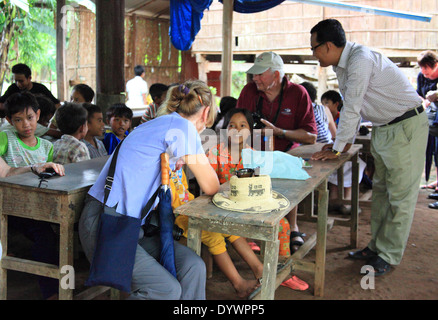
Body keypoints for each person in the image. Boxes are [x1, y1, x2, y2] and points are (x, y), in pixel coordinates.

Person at [79, 80, 220, 300]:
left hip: (131, 227)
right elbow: (211, 186)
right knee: (165, 290)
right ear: (206, 112)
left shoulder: (159, 124)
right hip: (106, 226)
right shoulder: (182, 128)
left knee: (193, 267)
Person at [310, 19, 428, 276]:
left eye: (314, 48)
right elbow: (353, 108)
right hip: (384, 128)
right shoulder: (344, 65)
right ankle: (376, 247)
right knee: (382, 193)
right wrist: (339, 143)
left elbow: (351, 106)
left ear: (328, 46)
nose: (313, 53)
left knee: (400, 198)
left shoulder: (360, 59)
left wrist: (338, 148)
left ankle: (388, 254)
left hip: (406, 126)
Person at [236, 51, 317, 253]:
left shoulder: (298, 93)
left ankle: (293, 226)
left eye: (260, 74)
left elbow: (311, 136)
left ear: (277, 75)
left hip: (287, 152)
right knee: (245, 169)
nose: (254, 78)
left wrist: (280, 132)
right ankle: (250, 227)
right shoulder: (248, 91)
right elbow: (236, 125)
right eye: (254, 74)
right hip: (254, 152)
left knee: (286, 166)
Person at [0, 92, 65, 299]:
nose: (25, 125)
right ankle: (52, 293)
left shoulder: (47, 147)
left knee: (55, 236)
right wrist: (33, 167)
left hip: (37, 206)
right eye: (18, 120)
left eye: (30, 118)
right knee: (45, 235)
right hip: (9, 205)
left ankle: (64, 286)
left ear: (38, 115)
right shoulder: (5, 138)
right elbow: (6, 173)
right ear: (9, 120)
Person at [415, 51, 438, 208]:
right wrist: (425, 101)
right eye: (422, 68)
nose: (424, 72)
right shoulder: (421, 76)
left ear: (435, 64)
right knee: (436, 153)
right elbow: (417, 94)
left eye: (426, 68)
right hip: (431, 120)